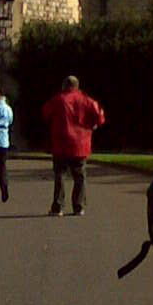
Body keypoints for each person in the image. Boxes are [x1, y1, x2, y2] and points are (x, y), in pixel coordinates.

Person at [41, 74, 104, 217]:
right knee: (80, 177)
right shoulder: (86, 100)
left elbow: (45, 113)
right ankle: (78, 206)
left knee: (60, 176)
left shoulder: (58, 99)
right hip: (80, 144)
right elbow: (100, 116)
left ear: (64, 85)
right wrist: (92, 125)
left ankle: (58, 207)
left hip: (61, 143)